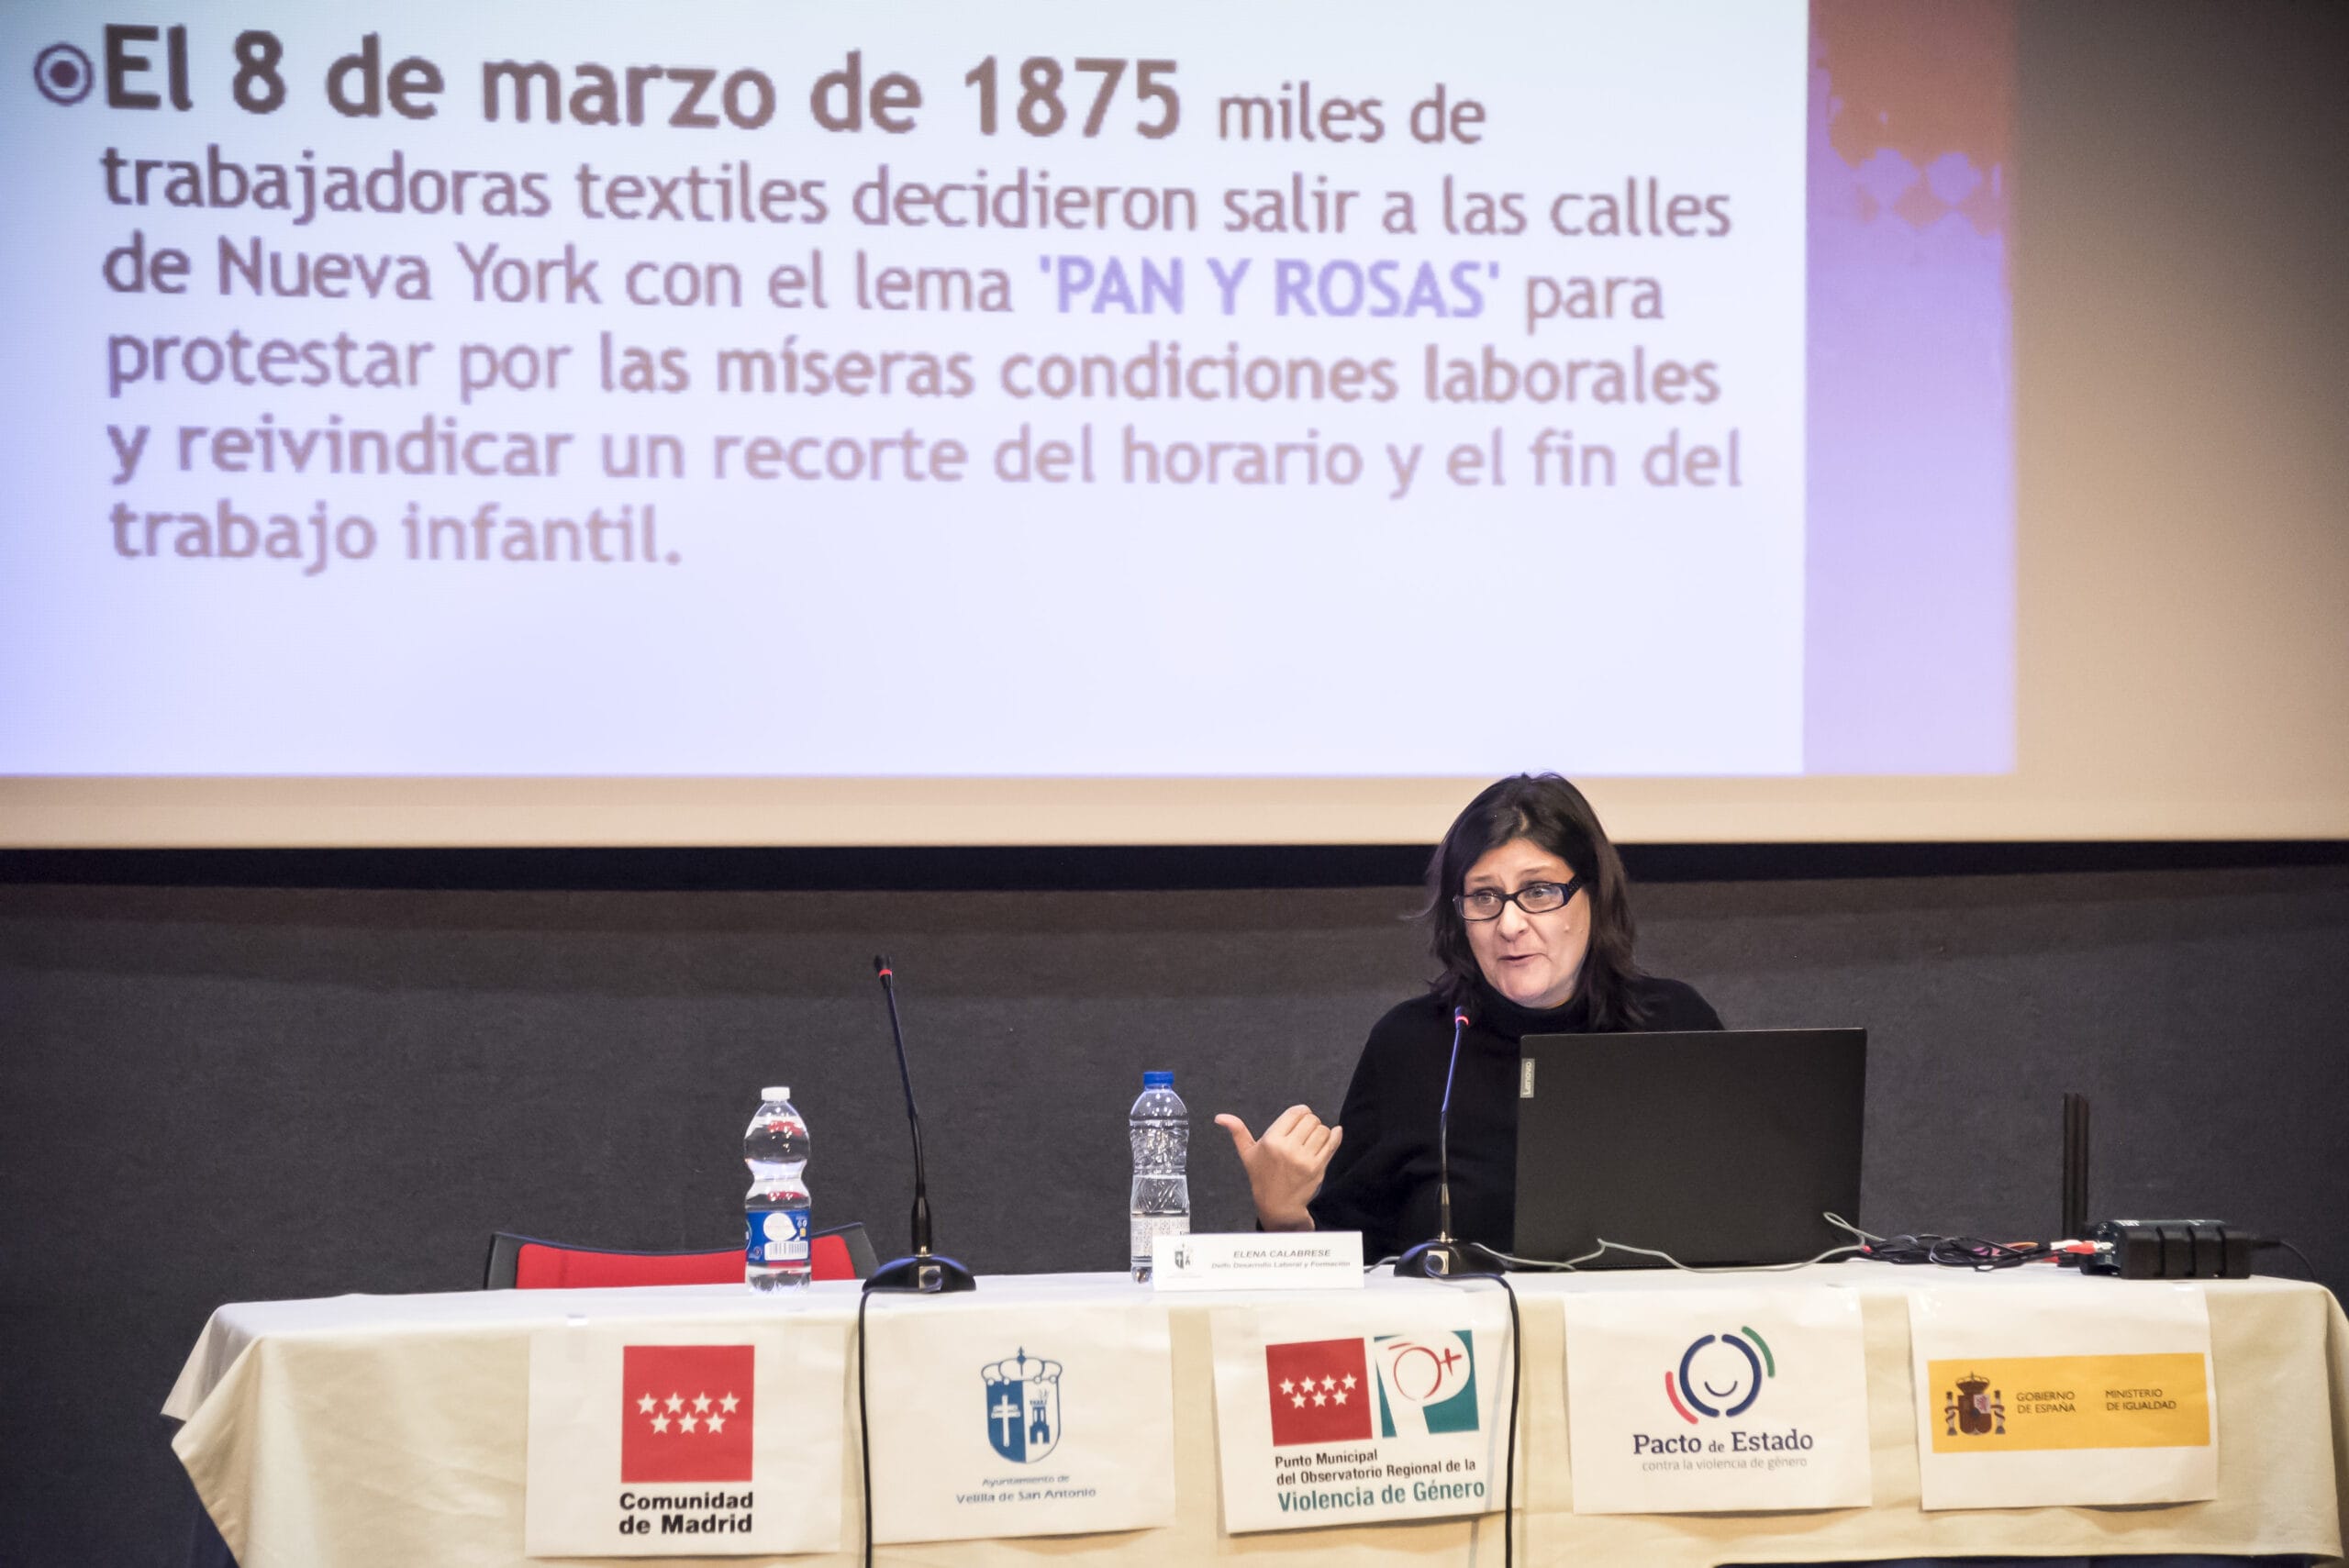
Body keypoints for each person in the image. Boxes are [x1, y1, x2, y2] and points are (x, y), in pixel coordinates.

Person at [1216, 773, 1721, 1261]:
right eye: (1485, 896)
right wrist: (1283, 1216)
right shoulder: (1414, 1044)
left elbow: (1739, 1214)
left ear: (1594, 895)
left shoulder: (1673, 1024)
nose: (1509, 924)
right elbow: (1349, 1254)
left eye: (1538, 891)